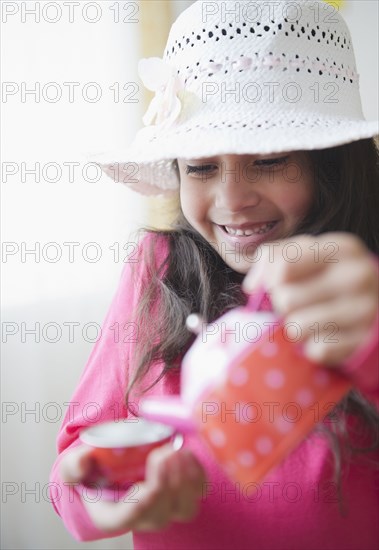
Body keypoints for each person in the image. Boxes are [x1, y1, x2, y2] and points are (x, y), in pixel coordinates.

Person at [50, 1, 379, 548]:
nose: (232, 200)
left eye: (268, 160)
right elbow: (75, 474)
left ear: (333, 163)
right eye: (201, 167)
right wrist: (112, 494)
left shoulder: (363, 298)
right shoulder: (157, 271)